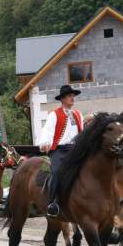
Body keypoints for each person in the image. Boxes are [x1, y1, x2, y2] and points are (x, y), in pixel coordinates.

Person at [38, 85, 84, 217]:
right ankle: (53, 203)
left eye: (73, 96)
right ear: (63, 99)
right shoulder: (54, 114)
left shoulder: (77, 114)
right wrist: (45, 142)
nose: (72, 98)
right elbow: (47, 130)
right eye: (70, 96)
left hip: (75, 149)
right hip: (59, 150)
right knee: (57, 172)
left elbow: (81, 131)